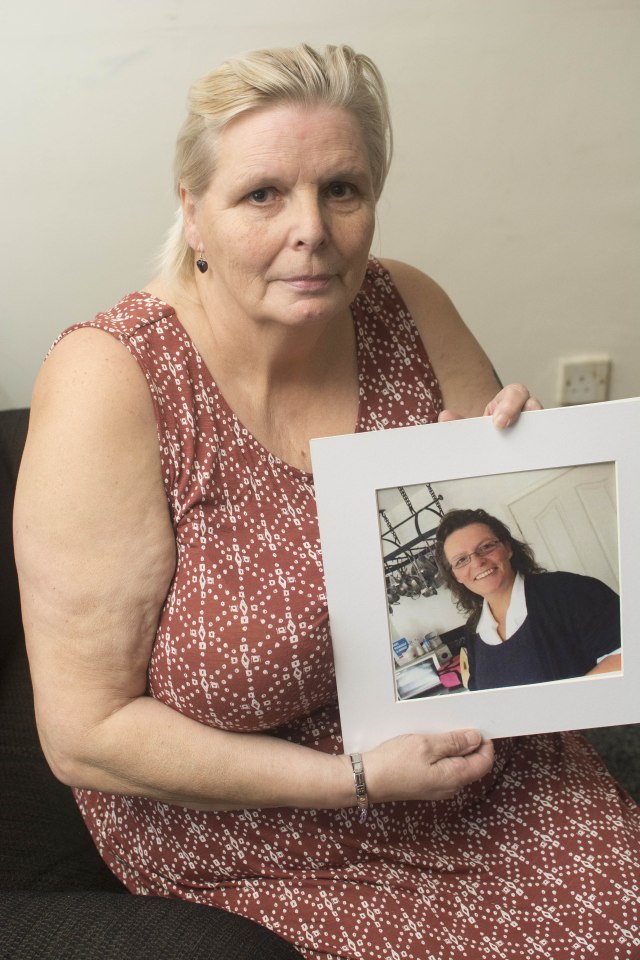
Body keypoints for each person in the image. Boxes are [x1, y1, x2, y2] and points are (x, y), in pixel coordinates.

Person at [13, 43, 639, 960]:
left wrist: (514, 444)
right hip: (252, 816)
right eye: (262, 194)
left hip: (463, 752)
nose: (311, 228)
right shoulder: (111, 379)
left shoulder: (408, 302)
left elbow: (482, 500)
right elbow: (85, 736)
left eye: (341, 190)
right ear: (193, 212)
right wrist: (354, 778)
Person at [435, 507, 622, 691]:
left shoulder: (570, 591)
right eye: (461, 560)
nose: (477, 562)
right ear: (456, 576)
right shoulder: (473, 631)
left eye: (486, 547)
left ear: (507, 548)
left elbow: (626, 656)